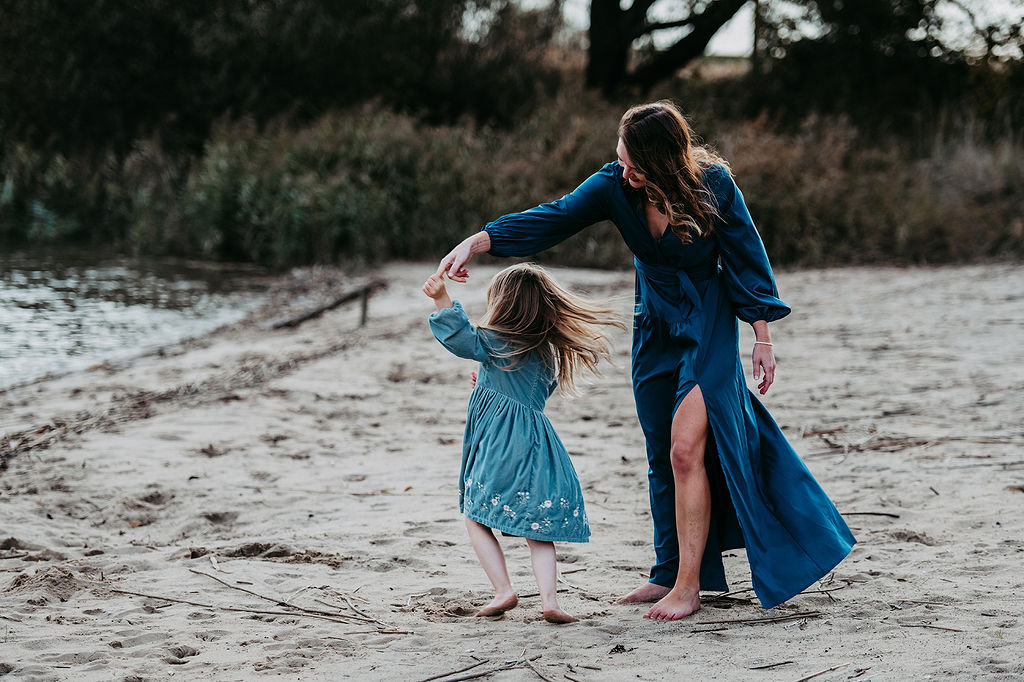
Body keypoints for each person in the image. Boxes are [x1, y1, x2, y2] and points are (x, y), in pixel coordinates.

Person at [435, 100, 856, 620]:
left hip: (707, 326)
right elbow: (556, 217)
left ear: (666, 162)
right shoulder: (615, 184)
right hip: (654, 325)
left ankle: (689, 586)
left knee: (685, 450)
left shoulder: (714, 184)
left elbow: (746, 255)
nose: (625, 171)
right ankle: (666, 571)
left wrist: (762, 337)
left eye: (636, 164)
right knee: (662, 449)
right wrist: (477, 242)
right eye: (622, 158)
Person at [423, 262, 624, 624]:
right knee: (538, 529)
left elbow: (461, 338)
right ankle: (550, 601)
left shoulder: (495, 341)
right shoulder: (546, 352)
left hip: (500, 446)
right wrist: (488, 383)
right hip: (535, 445)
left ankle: (504, 589)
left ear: (503, 305)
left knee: (475, 515)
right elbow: (532, 392)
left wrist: (441, 298)